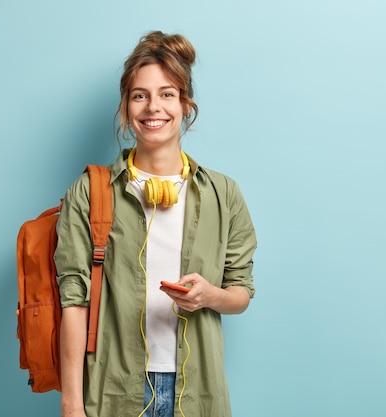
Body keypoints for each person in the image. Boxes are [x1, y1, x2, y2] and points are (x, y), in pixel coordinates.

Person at [55, 30, 257, 417]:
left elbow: (241, 292)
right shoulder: (91, 191)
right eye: (139, 95)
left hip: (198, 391)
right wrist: (71, 403)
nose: (153, 108)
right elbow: (74, 302)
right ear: (125, 107)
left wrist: (209, 297)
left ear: (185, 104)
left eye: (167, 94)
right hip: (112, 389)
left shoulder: (224, 194)